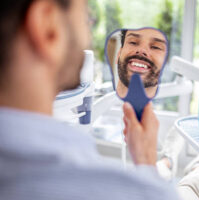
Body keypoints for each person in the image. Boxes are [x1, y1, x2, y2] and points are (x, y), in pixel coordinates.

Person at [0, 0, 179, 199]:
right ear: (48, 27)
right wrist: (147, 165)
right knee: (192, 187)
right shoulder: (137, 192)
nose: (89, 35)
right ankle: (184, 165)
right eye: (86, 19)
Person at [115, 28, 167, 98]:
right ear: (119, 54)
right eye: (133, 42)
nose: (141, 50)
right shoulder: (97, 103)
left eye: (155, 47)